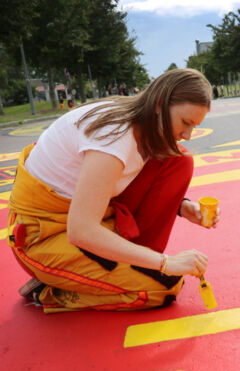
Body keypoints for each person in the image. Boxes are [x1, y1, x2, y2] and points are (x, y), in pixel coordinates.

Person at [8, 68, 219, 313]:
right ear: (160, 104)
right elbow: (81, 231)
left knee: (178, 159)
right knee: (163, 288)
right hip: (43, 236)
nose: (188, 134)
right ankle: (51, 291)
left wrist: (180, 206)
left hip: (81, 216)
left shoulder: (139, 118)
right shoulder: (113, 135)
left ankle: (132, 260)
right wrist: (165, 263)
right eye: (185, 122)